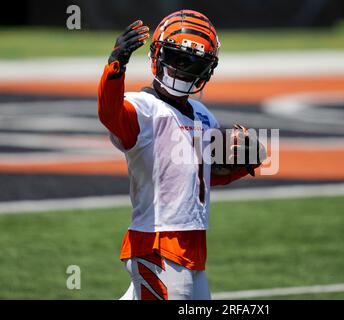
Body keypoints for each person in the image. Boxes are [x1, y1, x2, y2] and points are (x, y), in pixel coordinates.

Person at [97, 9, 265, 300]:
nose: (182, 69)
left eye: (193, 64)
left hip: (192, 246)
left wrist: (245, 161)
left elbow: (199, 180)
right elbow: (110, 113)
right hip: (157, 245)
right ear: (159, 56)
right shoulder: (143, 109)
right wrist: (116, 66)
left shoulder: (203, 115)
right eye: (176, 59)